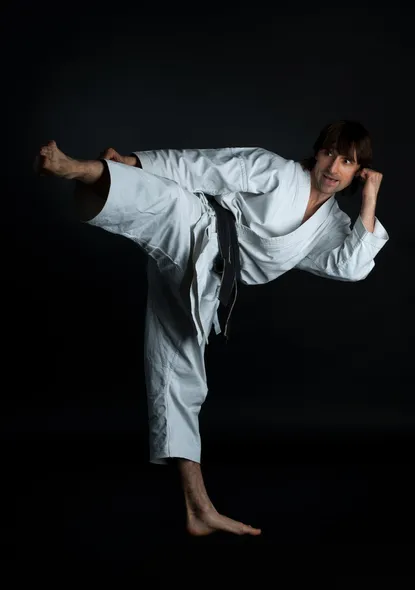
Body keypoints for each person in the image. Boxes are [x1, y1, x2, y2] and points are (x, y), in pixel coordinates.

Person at [35, 120, 388, 537]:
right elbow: (203, 167)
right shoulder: (274, 169)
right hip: (200, 231)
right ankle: (75, 167)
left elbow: (351, 266)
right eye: (329, 152)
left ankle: (197, 509)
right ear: (318, 153)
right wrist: (132, 162)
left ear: (358, 170)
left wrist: (370, 198)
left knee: (181, 376)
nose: (333, 166)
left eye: (347, 161)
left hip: (208, 284)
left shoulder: (326, 228)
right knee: (170, 200)